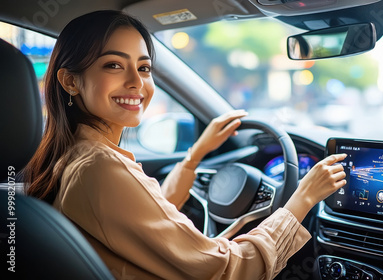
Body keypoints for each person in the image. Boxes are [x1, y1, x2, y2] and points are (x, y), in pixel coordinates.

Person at [23, 10, 347, 280]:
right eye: (114, 65)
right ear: (70, 81)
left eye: (144, 67)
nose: (137, 82)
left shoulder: (72, 158)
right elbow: (227, 270)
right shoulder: (100, 169)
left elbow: (147, 218)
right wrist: (302, 199)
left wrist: (195, 157)